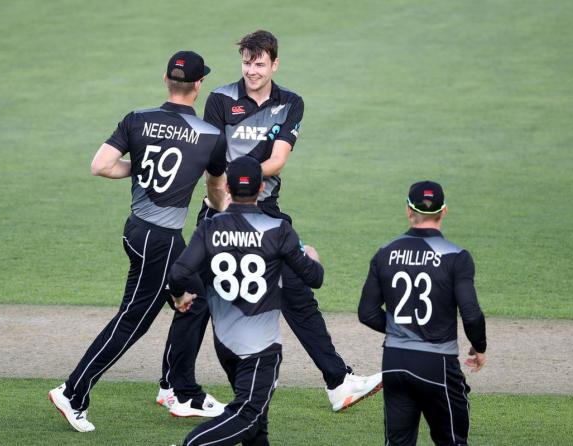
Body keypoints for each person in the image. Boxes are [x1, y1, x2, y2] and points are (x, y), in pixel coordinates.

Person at [157, 30, 382, 416]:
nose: (251, 71)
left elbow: (277, 161)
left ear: (274, 64)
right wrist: (225, 192)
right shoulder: (222, 100)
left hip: (264, 211)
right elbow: (212, 156)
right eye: (246, 62)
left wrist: (239, 180)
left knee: (295, 293)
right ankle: (174, 387)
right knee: (198, 302)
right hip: (222, 212)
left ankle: (338, 381)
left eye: (259, 64)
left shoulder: (289, 103)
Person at [48, 50, 229, 432]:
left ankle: (179, 389)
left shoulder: (138, 119)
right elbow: (216, 193)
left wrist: (141, 164)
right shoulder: (211, 136)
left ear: (167, 81)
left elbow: (100, 165)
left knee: (194, 299)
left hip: (137, 232)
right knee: (133, 321)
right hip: (160, 244)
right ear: (199, 86)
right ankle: (74, 391)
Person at [169, 156, 325, 446]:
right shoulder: (278, 230)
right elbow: (313, 277)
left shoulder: (209, 227)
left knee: (257, 428)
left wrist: (180, 297)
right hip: (260, 349)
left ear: (226, 187)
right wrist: (312, 257)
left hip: (226, 345)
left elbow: (178, 273)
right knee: (248, 414)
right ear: (262, 187)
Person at [358, 181, 487, 445]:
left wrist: (401, 328)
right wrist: (479, 346)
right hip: (438, 365)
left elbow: (367, 313)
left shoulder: (385, 253)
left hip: (394, 362)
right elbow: (471, 313)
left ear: (408, 210)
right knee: (452, 440)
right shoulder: (456, 256)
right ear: (445, 211)